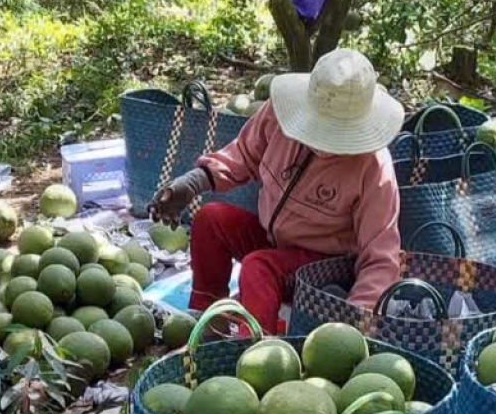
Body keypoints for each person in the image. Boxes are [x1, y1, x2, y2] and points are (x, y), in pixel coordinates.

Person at [151, 49, 405, 332]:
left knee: (258, 267)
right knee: (210, 220)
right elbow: (243, 155)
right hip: (276, 242)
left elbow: (381, 258)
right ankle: (209, 322)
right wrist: (193, 182)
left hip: (325, 268)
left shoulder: (373, 167)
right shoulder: (279, 115)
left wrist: (353, 325)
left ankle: (254, 355)